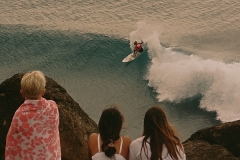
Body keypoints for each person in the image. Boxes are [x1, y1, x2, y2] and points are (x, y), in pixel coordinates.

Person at [5, 71, 61, 160]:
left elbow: (12, 140)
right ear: (43, 92)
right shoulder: (53, 107)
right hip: (49, 156)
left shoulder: (19, 114)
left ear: (22, 93)